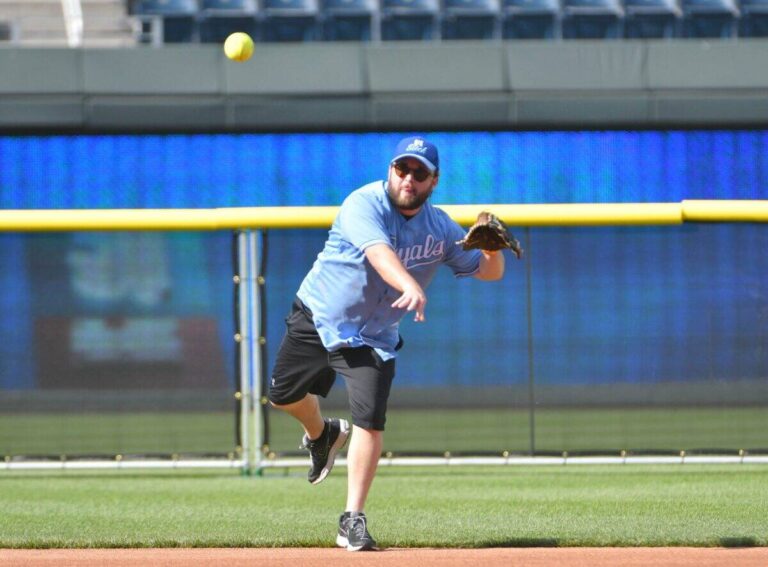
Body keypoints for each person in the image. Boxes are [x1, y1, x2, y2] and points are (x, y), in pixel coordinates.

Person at [267, 136, 507, 552]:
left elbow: (489, 273)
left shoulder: (440, 227)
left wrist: (491, 250)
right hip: (319, 316)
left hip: (372, 338)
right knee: (282, 396)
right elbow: (379, 254)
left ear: (434, 181)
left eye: (419, 172)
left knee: (369, 422)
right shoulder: (363, 203)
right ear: (391, 170)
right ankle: (321, 434)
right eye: (402, 168)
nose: (408, 178)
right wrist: (409, 283)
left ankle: (351, 520)